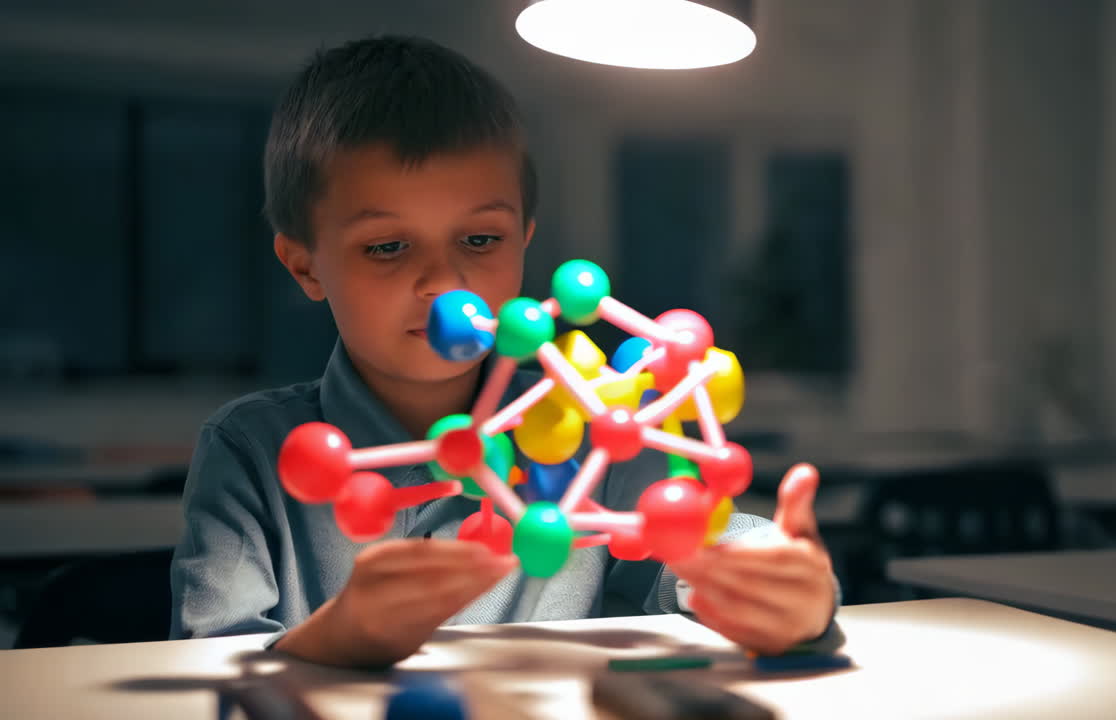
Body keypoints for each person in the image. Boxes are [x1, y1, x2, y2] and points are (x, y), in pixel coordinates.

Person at [170, 35, 838, 668]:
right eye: (387, 246)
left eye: (480, 240)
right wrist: (332, 642)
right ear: (305, 266)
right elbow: (210, 664)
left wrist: (780, 585)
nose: (443, 282)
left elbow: (692, 548)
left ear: (524, 238)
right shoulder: (249, 450)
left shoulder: (598, 422)